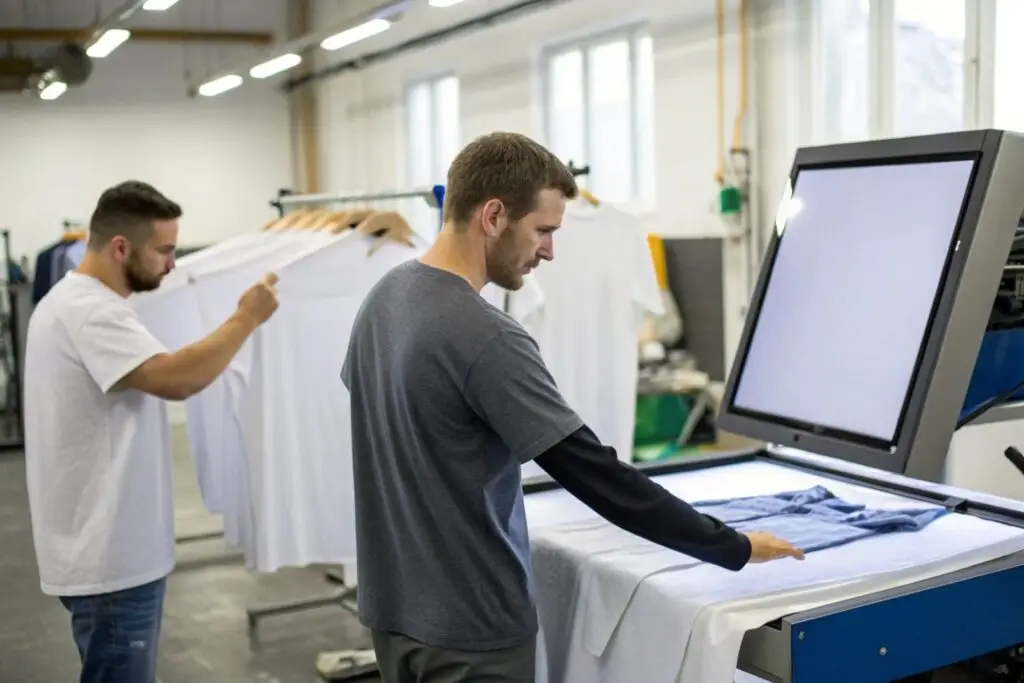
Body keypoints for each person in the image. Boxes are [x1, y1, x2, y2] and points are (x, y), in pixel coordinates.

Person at [341, 132, 804, 683]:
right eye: (543, 230)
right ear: (493, 216)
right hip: (469, 631)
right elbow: (594, 474)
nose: (549, 251)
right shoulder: (485, 335)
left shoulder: (384, 299)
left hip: (393, 617)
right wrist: (732, 545)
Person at [22, 180, 280, 683]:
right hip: (111, 560)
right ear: (121, 248)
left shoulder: (85, 303)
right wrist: (246, 318)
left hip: (106, 550)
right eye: (163, 250)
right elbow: (176, 379)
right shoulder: (90, 311)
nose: (172, 264)